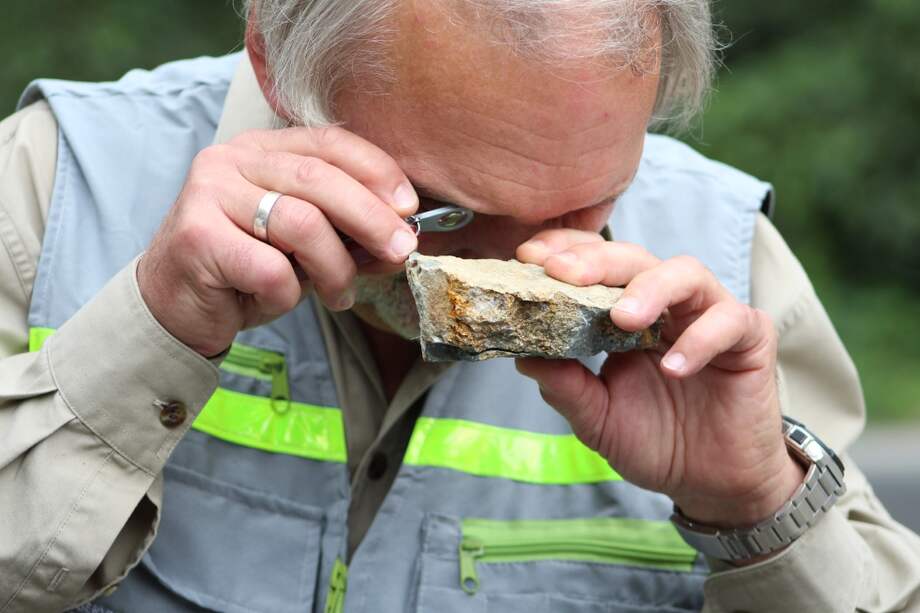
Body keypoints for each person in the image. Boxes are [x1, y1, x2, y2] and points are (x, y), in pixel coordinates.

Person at [1, 1, 919, 611]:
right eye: (449, 209)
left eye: (586, 205)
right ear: (277, 67)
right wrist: (148, 336)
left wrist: (755, 506)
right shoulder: (54, 186)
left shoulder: (723, 261)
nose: (518, 262)